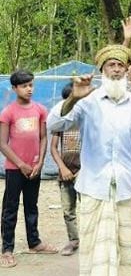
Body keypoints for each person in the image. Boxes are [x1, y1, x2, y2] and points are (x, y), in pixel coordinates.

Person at [48, 44, 131, 276]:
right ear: (102, 70)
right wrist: (73, 99)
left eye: (121, 65)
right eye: (111, 66)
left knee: (125, 251)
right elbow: (53, 122)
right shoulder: (88, 101)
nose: (116, 70)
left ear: (128, 70)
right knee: (91, 253)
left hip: (126, 191)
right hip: (93, 189)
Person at [1, 69, 55, 269]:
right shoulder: (8, 112)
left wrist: (40, 162)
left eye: (31, 85)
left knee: (32, 206)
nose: (29, 89)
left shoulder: (40, 109)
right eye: (24, 86)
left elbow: (42, 137)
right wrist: (20, 164)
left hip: (34, 167)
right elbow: (2, 143)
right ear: (14, 88)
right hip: (15, 169)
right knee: (10, 208)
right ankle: (7, 249)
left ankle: (34, 242)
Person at [50, 84, 82, 256]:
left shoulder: (87, 121)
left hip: (85, 174)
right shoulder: (60, 123)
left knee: (90, 208)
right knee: (68, 210)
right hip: (65, 174)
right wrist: (63, 168)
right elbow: (54, 148)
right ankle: (73, 240)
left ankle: (92, 242)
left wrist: (82, 170)